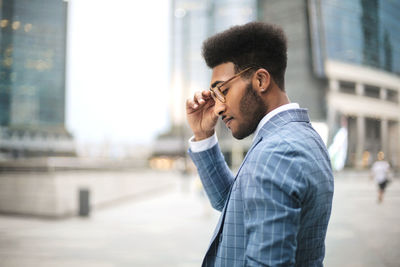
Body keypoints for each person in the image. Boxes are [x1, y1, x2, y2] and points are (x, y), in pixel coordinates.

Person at [185, 22, 334, 266]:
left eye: (223, 91)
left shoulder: (277, 152)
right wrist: (203, 135)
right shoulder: (300, 137)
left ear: (261, 80)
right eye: (214, 96)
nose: (219, 107)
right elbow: (233, 202)